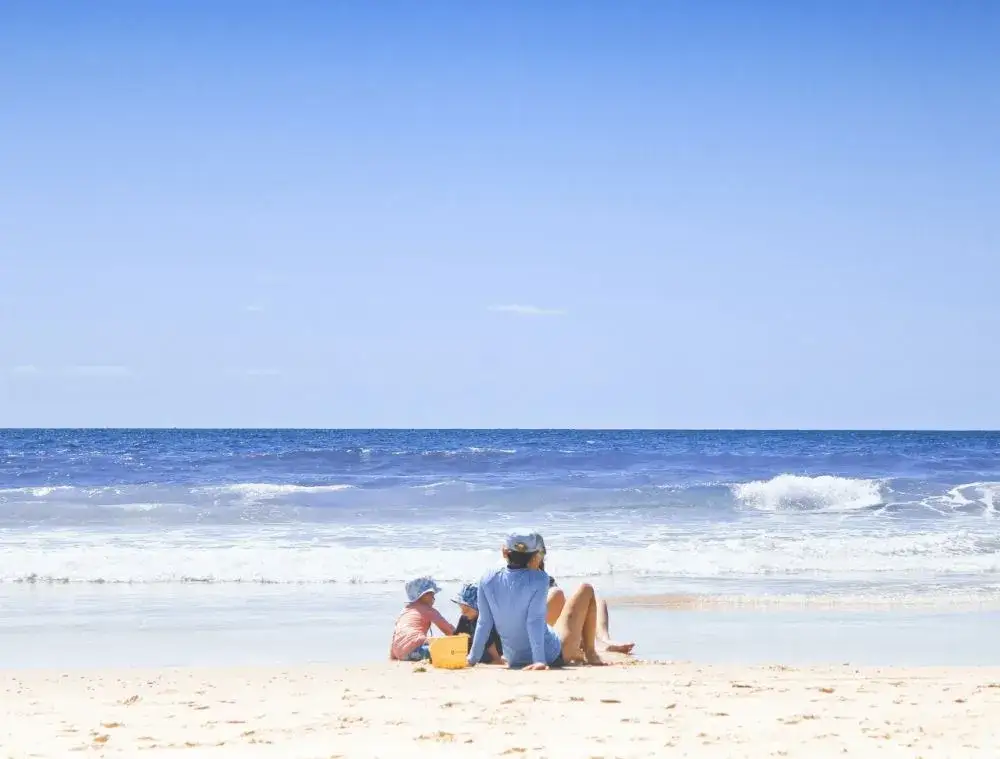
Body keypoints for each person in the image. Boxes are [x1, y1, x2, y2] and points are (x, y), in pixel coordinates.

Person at [468, 531, 605, 670]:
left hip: (513, 659)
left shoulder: (487, 579)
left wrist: (472, 659)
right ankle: (590, 652)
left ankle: (579, 649)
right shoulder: (540, 579)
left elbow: (484, 622)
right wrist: (540, 660)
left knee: (551, 614)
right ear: (534, 555)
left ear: (504, 552)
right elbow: (535, 620)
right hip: (553, 655)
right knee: (586, 589)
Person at [540, 554, 635, 655]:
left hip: (552, 617)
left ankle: (604, 639)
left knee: (597, 601)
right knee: (557, 596)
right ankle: (593, 644)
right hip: (544, 626)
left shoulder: (546, 578)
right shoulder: (529, 580)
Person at [389, 576, 455, 661]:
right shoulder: (428, 610)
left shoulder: (405, 611)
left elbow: (396, 634)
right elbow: (448, 630)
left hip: (398, 652)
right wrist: (462, 638)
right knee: (449, 650)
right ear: (424, 595)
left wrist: (392, 656)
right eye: (432, 595)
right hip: (416, 650)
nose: (434, 599)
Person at [452, 583, 503, 664]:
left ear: (479, 607)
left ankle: (494, 659)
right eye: (462, 608)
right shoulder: (464, 618)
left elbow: (490, 642)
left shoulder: (485, 621)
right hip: (474, 650)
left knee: (482, 632)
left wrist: (497, 659)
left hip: (489, 652)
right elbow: (455, 637)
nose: (463, 612)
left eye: (467, 610)